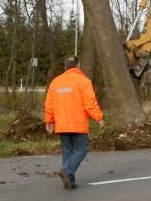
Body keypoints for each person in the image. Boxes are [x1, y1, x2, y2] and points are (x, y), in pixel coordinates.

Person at [44, 56, 105, 189]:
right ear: (78, 66)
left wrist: (49, 121)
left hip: (62, 124)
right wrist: (99, 118)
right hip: (78, 123)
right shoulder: (84, 81)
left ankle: (69, 181)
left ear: (65, 67)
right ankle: (66, 171)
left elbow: (49, 104)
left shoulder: (55, 82)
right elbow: (90, 103)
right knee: (81, 150)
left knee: (67, 151)